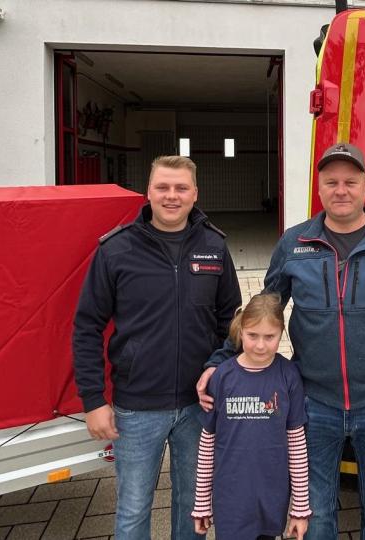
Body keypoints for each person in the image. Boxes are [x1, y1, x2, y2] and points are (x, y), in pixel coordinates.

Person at [198, 142, 365, 540]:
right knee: (316, 516)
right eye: (331, 182)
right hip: (313, 406)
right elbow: (264, 310)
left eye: (350, 181)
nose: (340, 190)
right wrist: (220, 361)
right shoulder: (295, 243)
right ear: (320, 187)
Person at [73, 155, 242, 540]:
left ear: (195, 194)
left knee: (194, 507)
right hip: (137, 406)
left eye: (181, 188)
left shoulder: (214, 247)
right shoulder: (116, 250)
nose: (171, 196)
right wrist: (93, 400)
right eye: (162, 187)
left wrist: (218, 369)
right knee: (133, 510)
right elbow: (87, 327)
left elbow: (230, 323)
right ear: (148, 192)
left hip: (199, 405)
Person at [191, 293, 310, 540]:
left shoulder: (288, 376)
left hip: (271, 497)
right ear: (240, 331)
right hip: (231, 499)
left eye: (270, 337)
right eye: (252, 335)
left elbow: (297, 445)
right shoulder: (222, 377)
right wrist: (202, 502)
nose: (260, 345)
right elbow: (207, 443)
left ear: (282, 334)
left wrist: (300, 508)